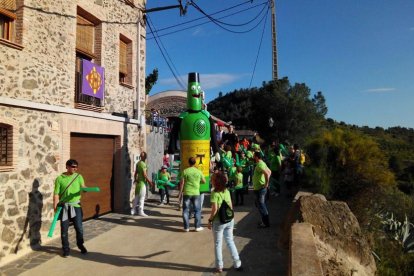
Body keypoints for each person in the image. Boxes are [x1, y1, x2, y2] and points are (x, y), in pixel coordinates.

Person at [207, 171, 242, 273]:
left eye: (212, 179)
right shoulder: (226, 191)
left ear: (215, 182)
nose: (211, 180)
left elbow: (215, 209)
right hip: (229, 219)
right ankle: (237, 263)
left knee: (218, 244)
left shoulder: (214, 193)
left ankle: (219, 266)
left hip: (219, 222)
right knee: (230, 241)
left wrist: (210, 220)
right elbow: (231, 205)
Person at [53, 159, 88, 257]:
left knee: (79, 228)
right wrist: (55, 207)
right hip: (64, 207)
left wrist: (85, 189)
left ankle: (80, 245)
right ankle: (66, 249)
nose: (75, 168)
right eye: (73, 166)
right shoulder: (60, 178)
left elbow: (83, 186)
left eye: (76, 167)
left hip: (76, 206)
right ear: (67, 167)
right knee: (64, 229)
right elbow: (56, 194)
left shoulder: (78, 176)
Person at [179, 157, 206, 232]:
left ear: (189, 163)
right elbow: (204, 181)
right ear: (195, 163)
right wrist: (198, 182)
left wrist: (180, 193)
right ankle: (197, 227)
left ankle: (186, 227)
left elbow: (182, 183)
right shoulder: (199, 171)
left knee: (185, 210)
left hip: (187, 192)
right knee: (197, 210)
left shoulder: (185, 171)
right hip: (196, 193)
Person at [252, 151, 271, 228]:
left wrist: (266, 183)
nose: (253, 157)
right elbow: (270, 171)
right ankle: (264, 221)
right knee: (259, 204)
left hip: (260, 188)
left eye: (254, 156)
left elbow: (267, 173)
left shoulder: (260, 165)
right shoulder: (262, 163)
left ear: (256, 157)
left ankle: (266, 223)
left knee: (261, 205)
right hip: (260, 188)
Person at [131, 151, 153, 216]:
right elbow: (144, 174)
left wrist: (135, 179)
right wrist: (150, 182)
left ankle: (133, 210)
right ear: (145, 157)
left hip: (138, 183)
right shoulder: (143, 164)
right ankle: (141, 211)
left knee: (136, 197)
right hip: (142, 183)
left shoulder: (138, 163)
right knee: (142, 198)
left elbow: (135, 173)